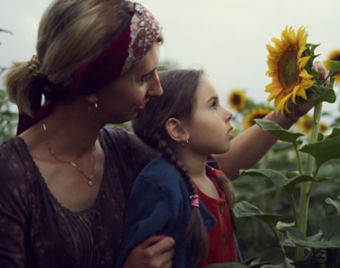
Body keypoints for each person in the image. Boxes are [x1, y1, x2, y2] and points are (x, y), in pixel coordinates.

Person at [0, 0, 175, 267]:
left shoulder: (122, 150)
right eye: (143, 78)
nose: (157, 89)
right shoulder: (10, 177)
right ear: (92, 86)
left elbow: (203, 171)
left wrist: (265, 124)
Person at [116, 68, 314, 267]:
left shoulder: (212, 176)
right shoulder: (160, 184)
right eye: (213, 105)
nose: (228, 114)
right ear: (177, 129)